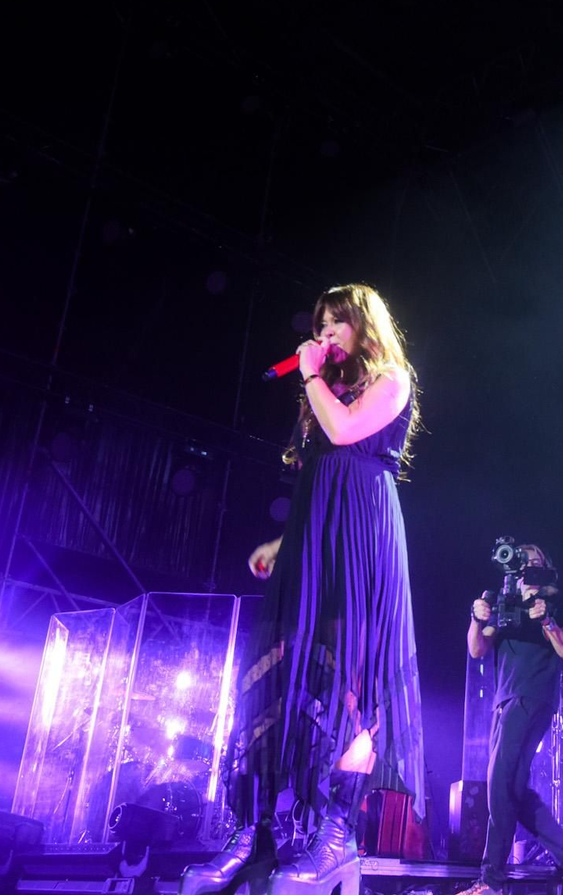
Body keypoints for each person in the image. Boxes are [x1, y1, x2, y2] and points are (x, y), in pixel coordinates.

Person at [181, 284, 424, 895]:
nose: (324, 334)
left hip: (364, 542)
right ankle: (252, 829)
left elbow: (345, 439)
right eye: (320, 324)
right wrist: (285, 546)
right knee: (273, 678)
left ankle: (337, 835)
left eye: (337, 323)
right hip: (313, 541)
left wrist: (312, 378)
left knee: (352, 680)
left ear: (364, 326)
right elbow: (320, 476)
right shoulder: (325, 390)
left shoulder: (391, 378)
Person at [461, 545, 563, 895]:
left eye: (533, 561)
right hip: (505, 701)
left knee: (499, 785)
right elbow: (477, 648)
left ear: (544, 568)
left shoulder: (555, 605)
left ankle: (492, 881)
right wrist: (477, 619)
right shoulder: (506, 605)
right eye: (521, 561)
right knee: (511, 790)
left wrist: (545, 619)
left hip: (533, 696)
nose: (526, 566)